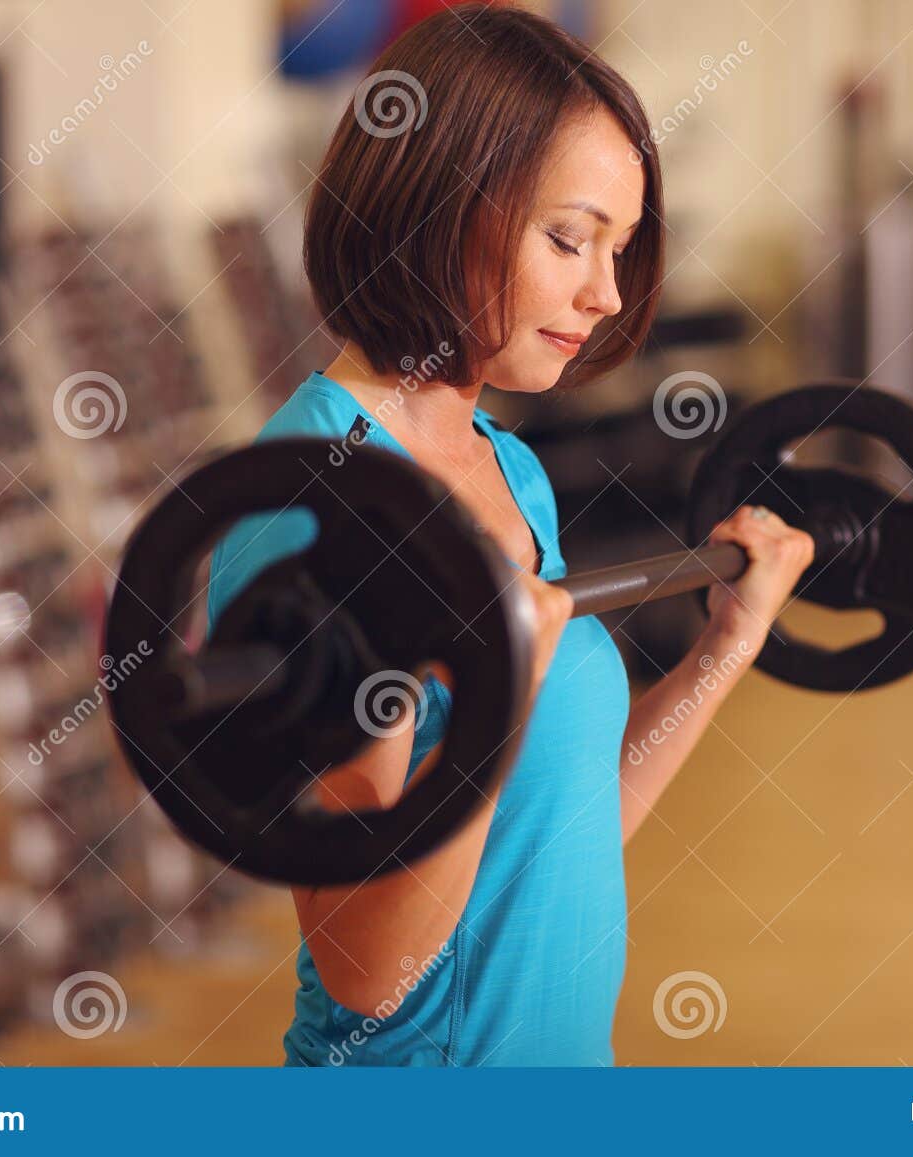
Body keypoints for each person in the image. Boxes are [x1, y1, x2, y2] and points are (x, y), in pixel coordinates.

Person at [206, 3, 815, 1066]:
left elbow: (558, 830)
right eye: (568, 237)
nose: (606, 291)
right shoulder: (315, 501)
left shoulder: (508, 466)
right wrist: (497, 695)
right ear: (439, 208)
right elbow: (364, 969)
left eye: (618, 248)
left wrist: (724, 647)